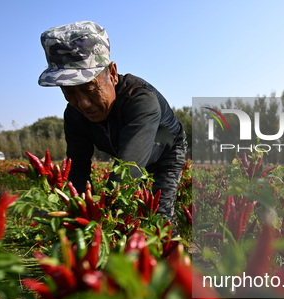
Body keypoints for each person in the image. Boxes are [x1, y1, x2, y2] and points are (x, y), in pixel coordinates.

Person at [38, 21, 187, 227]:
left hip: (166, 153)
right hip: (128, 155)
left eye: (89, 88)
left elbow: (129, 168)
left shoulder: (141, 101)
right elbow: (78, 167)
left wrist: (100, 219)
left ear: (113, 73)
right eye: (69, 92)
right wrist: (78, 211)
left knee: (158, 218)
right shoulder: (74, 114)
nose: (82, 103)